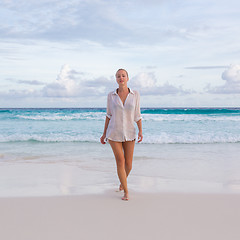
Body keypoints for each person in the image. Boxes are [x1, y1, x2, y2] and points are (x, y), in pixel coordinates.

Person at [100, 69, 143, 201]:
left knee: (129, 164)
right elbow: (108, 115)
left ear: (128, 78)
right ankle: (126, 191)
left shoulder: (135, 94)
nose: (121, 78)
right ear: (116, 79)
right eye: (118, 76)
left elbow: (137, 115)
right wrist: (103, 134)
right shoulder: (111, 95)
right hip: (114, 132)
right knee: (120, 161)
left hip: (130, 132)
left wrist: (140, 131)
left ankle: (122, 182)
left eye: (123, 76)